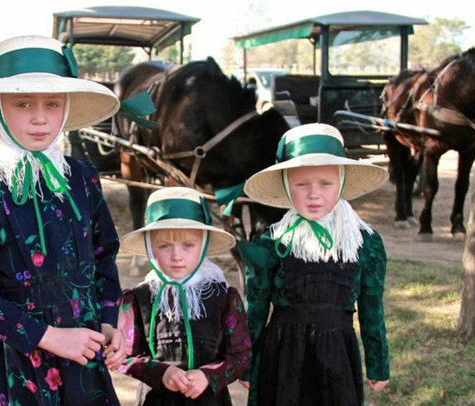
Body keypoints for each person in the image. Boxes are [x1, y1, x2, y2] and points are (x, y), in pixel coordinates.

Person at [0, 35, 126, 406]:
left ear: (66, 108)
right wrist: (49, 336)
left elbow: (104, 254)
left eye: (52, 104)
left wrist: (107, 321)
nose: (40, 117)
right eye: (23, 103)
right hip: (19, 362)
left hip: (84, 357)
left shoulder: (83, 176)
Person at [238, 123, 391, 406]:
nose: (313, 194)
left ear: (342, 183)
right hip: (282, 356)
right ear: (286, 185)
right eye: (302, 184)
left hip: (337, 356)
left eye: (325, 183)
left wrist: (377, 363)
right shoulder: (271, 242)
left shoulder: (363, 242)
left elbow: (372, 307)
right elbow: (256, 310)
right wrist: (247, 364)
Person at [116, 187, 252, 406]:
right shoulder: (139, 299)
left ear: (204, 244)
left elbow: (241, 355)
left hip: (209, 400)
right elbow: (123, 355)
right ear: (151, 248)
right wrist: (160, 372)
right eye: (164, 246)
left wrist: (208, 375)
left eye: (188, 245)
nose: (176, 256)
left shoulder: (224, 298)